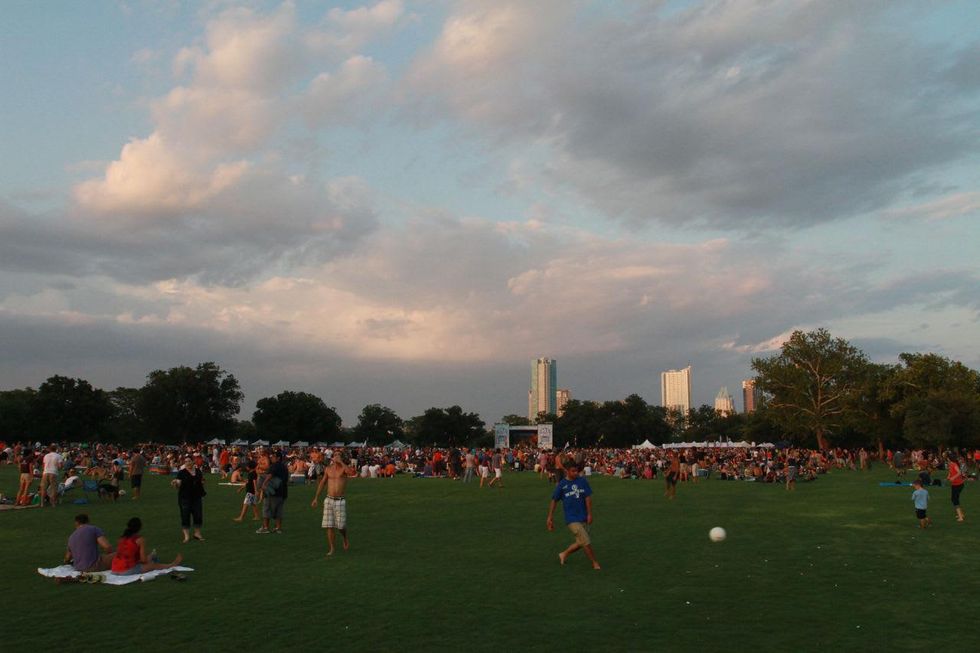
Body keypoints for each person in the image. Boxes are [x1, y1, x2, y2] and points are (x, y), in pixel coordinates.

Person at [546, 461, 600, 570]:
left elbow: (588, 498)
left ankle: (564, 554)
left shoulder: (582, 481)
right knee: (586, 540)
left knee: (581, 541)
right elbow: (554, 500)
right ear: (567, 471)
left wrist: (589, 514)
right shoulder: (562, 484)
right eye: (573, 471)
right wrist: (550, 517)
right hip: (571, 519)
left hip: (583, 516)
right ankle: (595, 563)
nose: (576, 473)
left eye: (577, 471)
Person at [311, 454, 356, 556]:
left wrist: (341, 462)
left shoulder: (343, 469)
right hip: (329, 499)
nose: (336, 457)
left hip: (340, 500)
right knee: (329, 525)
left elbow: (351, 473)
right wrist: (316, 498)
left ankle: (344, 538)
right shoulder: (328, 469)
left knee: (341, 526)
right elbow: (322, 483)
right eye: (335, 455)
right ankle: (332, 548)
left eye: (338, 455)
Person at [111, 517, 183, 575]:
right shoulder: (140, 540)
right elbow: (143, 560)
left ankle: (153, 556)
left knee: (150, 556)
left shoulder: (121, 538)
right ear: (140, 527)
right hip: (126, 570)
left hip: (114, 568)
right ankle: (172, 565)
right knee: (153, 565)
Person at [172, 456, 206, 543]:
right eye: (186, 461)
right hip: (185, 498)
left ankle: (197, 534)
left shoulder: (198, 471)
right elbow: (178, 484)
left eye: (189, 461)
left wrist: (202, 486)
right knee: (185, 516)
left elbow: (201, 482)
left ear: (192, 461)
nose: (187, 463)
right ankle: (186, 536)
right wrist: (175, 483)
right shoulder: (182, 473)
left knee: (198, 515)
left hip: (197, 498)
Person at [257, 450, 288, 534]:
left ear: (278, 458)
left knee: (266, 509)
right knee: (279, 511)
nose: (271, 458)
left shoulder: (274, 466)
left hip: (273, 492)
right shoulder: (284, 466)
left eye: (273, 456)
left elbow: (270, 475)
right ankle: (278, 528)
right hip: (283, 492)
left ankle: (265, 527)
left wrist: (264, 483)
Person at [947, 454, 966, 523]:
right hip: (954, 485)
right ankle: (961, 514)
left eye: (947, 458)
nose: (947, 459)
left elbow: (959, 472)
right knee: (954, 499)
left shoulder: (954, 464)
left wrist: (953, 477)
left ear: (949, 459)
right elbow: (950, 472)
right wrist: (949, 476)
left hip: (959, 485)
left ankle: (960, 517)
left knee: (955, 500)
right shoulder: (950, 464)